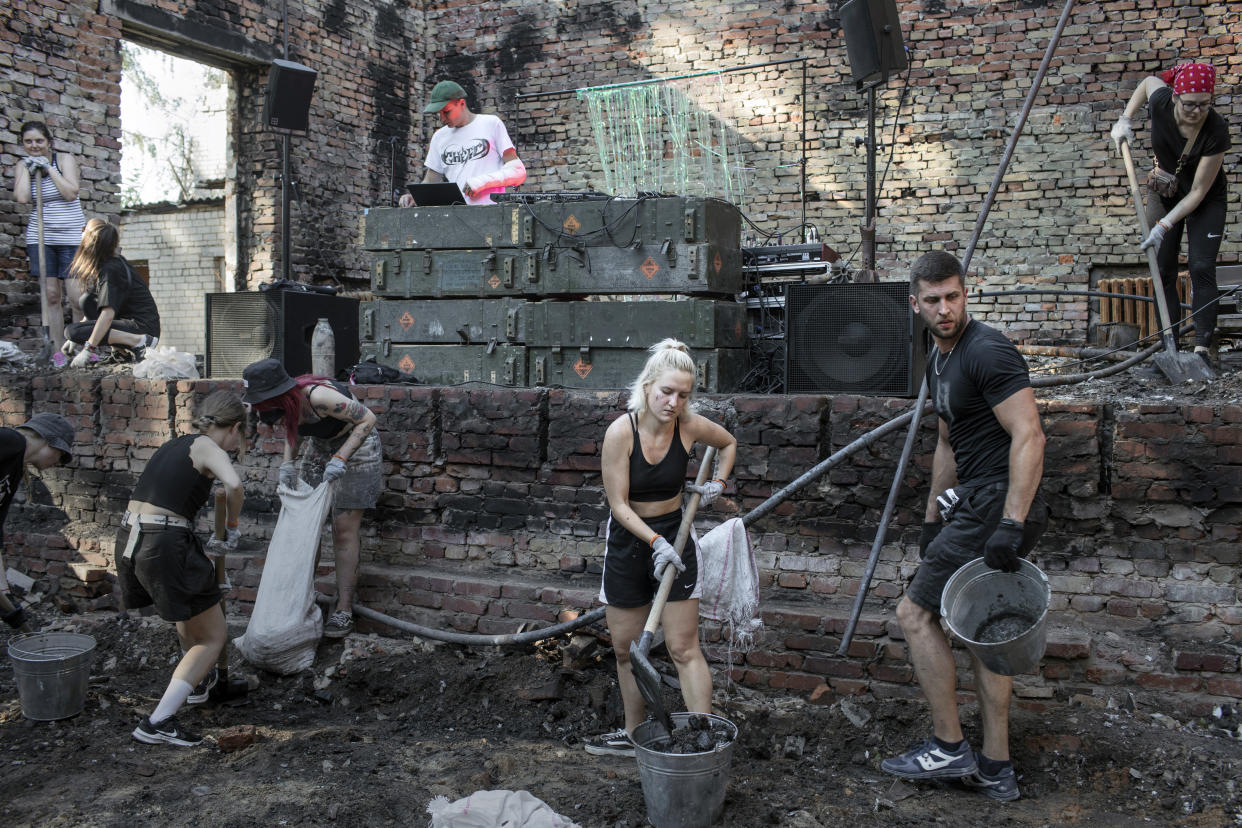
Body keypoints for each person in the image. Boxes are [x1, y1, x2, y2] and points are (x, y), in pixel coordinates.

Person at [880, 251, 1048, 801]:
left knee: (914, 614)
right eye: (933, 300)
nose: (945, 308)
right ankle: (996, 766)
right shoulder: (938, 357)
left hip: (996, 503)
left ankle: (948, 748)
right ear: (915, 304)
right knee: (979, 630)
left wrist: (1011, 522)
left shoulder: (986, 350)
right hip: (976, 503)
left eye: (953, 296)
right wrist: (931, 519)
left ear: (965, 292)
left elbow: (1030, 435)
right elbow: (948, 443)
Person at [583, 339, 737, 757]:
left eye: (683, 395)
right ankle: (636, 736)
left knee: (684, 647)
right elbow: (617, 504)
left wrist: (716, 486)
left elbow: (727, 443)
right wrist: (654, 543)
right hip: (631, 542)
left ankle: (704, 735)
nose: (674, 402)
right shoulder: (621, 432)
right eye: (667, 392)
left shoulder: (688, 425)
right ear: (648, 385)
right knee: (627, 650)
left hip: (677, 534)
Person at [117, 390, 246, 746]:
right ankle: (158, 722)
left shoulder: (177, 444)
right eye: (239, 438)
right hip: (164, 542)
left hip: (132, 536)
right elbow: (233, 484)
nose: (236, 446)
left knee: (190, 621)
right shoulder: (208, 447)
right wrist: (232, 527)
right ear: (234, 428)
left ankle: (196, 685)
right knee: (213, 637)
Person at [241, 358, 380, 638]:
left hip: (358, 444)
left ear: (280, 396)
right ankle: (300, 601)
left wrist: (341, 458)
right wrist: (287, 465)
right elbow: (294, 430)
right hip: (320, 447)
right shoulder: (284, 406)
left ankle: (343, 610)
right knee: (305, 524)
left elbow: (368, 418)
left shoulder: (320, 398)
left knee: (343, 531)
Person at [1111, 61, 1231, 370]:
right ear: (1175, 97)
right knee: (1162, 267)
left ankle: (1202, 350)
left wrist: (1165, 224)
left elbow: (1198, 193)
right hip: (1165, 189)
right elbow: (1149, 81)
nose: (1197, 110)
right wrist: (1125, 119)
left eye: (1204, 104)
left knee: (1201, 266)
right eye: (1190, 103)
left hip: (1204, 198)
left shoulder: (1215, 129)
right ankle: (1170, 346)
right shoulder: (1162, 101)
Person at [11, 122, 86, 356]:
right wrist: (29, 170)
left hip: (71, 236)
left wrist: (49, 170)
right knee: (51, 296)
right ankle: (57, 352)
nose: (34, 146)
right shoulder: (23, 165)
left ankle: (81, 347)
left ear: (49, 142)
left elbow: (71, 192)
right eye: (28, 142)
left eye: (39, 141)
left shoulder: (64, 161)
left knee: (76, 298)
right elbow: (22, 198)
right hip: (41, 237)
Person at [397, 80, 526, 207]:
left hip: (491, 211)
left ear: (462, 103)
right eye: (439, 114)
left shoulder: (491, 124)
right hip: (456, 215)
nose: (442, 119)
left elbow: (518, 171)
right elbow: (431, 179)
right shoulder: (439, 137)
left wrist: (482, 182)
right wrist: (414, 197)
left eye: (446, 111)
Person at [0, 413, 74, 629]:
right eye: (61, 456)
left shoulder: (14, 470)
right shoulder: (11, 441)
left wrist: (3, 589)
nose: (57, 463)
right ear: (52, 444)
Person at [63, 218, 160, 367]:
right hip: (135, 324)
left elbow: (107, 315)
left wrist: (88, 348)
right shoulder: (112, 263)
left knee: (72, 331)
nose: (81, 233)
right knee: (87, 300)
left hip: (142, 328)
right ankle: (119, 353)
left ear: (91, 241)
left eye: (84, 230)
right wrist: (75, 340)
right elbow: (95, 306)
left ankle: (138, 342)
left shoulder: (111, 270)